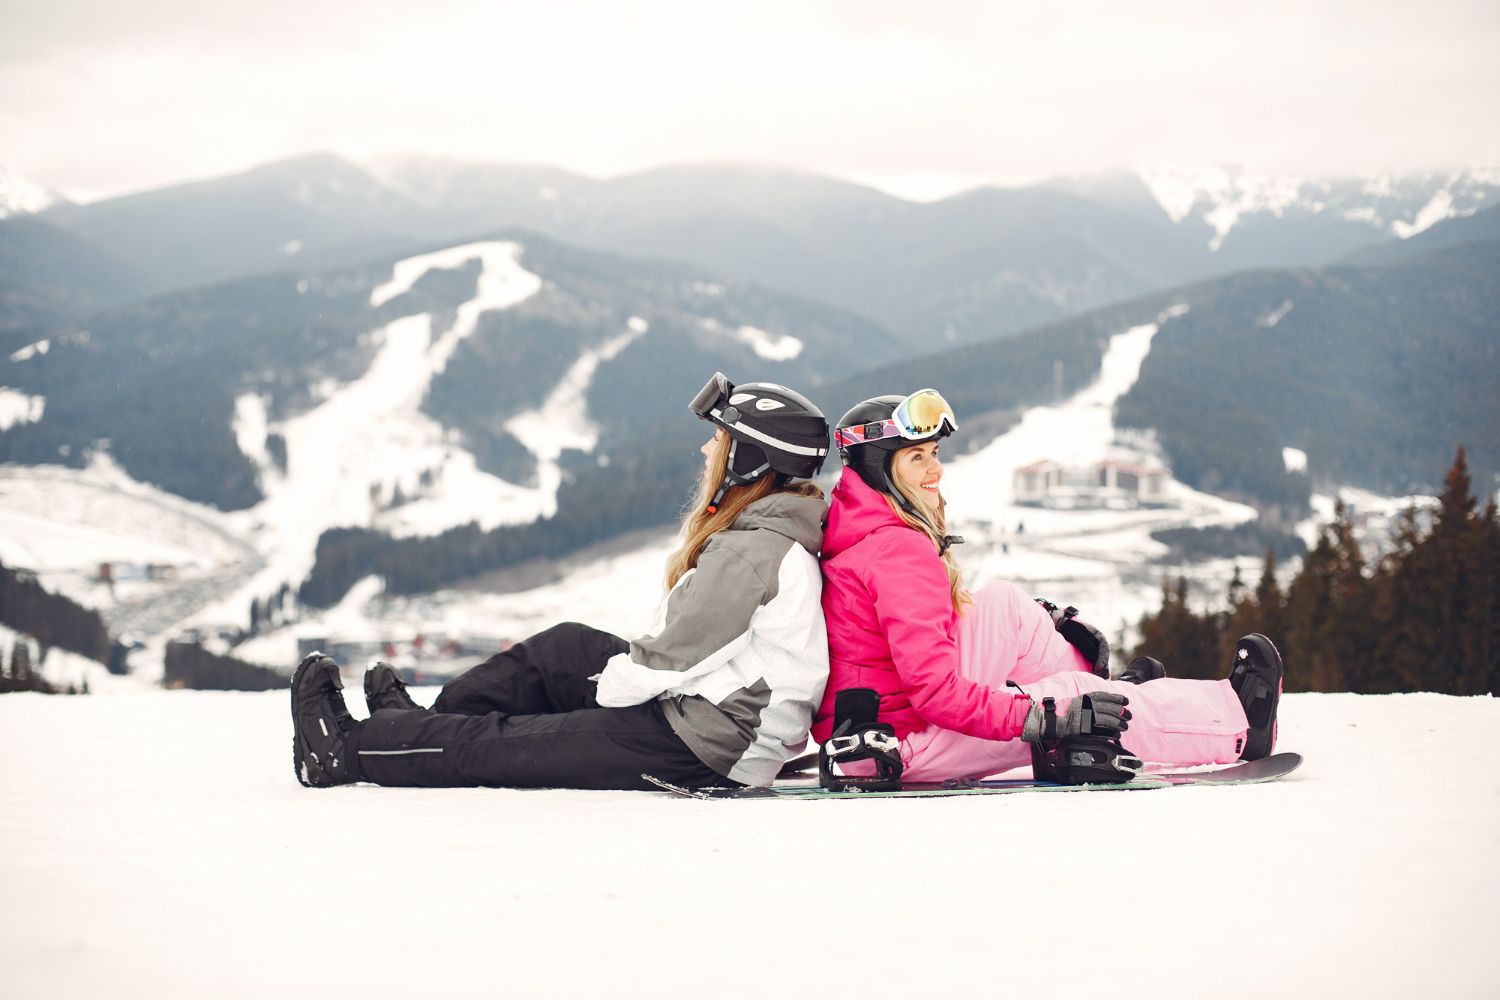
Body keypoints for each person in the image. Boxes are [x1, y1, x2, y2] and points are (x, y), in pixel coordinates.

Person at [290, 372, 832, 791]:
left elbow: (671, 658)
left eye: (719, 438)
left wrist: (605, 692)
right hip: (704, 712)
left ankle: (346, 751)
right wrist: (606, 678)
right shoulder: (765, 533)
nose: (706, 450)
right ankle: (417, 727)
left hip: (711, 745)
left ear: (750, 460)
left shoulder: (752, 550)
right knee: (564, 650)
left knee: (513, 744)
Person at [814, 389, 1284, 783]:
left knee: (1002, 604)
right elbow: (935, 695)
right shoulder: (897, 549)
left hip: (874, 729)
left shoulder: (861, 524)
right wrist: (1044, 718)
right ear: (879, 467)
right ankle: (1237, 725)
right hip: (898, 747)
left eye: (934, 454)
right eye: (917, 457)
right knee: (1073, 697)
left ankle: (1113, 696)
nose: (935, 470)